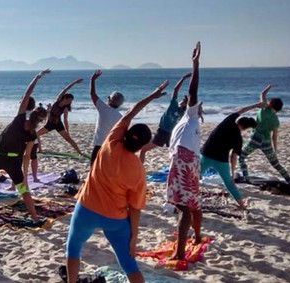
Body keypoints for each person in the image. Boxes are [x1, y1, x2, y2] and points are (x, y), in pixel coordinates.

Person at [65, 80, 169, 283]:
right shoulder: (138, 170)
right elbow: (135, 208)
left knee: (73, 248)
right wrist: (134, 238)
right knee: (128, 263)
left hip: (86, 209)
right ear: (142, 146)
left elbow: (131, 113)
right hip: (115, 219)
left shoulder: (111, 141)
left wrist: (153, 95)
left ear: (126, 134)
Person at [0, 69, 50, 222]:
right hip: (13, 161)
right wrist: (25, 175)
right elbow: (27, 155)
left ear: (31, 112)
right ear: (40, 120)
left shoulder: (19, 118)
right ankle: (34, 217)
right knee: (23, 190)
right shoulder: (33, 134)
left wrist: (37, 78)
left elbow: (27, 95)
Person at [166, 42, 203, 261]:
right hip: (192, 160)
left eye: (187, 101)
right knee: (193, 203)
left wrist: (195, 65)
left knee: (183, 207)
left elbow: (192, 90)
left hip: (183, 160)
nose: (184, 101)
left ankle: (179, 253)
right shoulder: (189, 121)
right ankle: (197, 237)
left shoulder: (191, 116)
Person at [200, 101, 262, 210]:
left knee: (192, 177)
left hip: (206, 155)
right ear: (245, 128)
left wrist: (255, 105)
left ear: (238, 121)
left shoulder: (228, 121)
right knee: (229, 185)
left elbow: (241, 110)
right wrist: (232, 175)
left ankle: (182, 197)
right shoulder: (239, 139)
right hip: (221, 161)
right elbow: (233, 157)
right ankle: (242, 206)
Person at [238, 85, 290, 186]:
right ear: (279, 109)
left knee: (241, 157)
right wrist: (275, 150)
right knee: (276, 165)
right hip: (266, 142)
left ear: (270, 104)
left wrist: (269, 87)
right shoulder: (276, 120)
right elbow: (274, 136)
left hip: (254, 139)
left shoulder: (264, 108)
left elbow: (262, 93)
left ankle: (246, 178)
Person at [139, 73, 192, 163]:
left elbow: (175, 89)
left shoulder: (174, 105)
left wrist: (183, 78)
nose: (181, 100)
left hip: (164, 133)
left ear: (183, 104)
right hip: (173, 134)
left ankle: (139, 168)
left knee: (143, 150)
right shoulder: (184, 113)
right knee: (174, 154)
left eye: (182, 100)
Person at [36, 78, 84, 155]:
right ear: (65, 98)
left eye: (70, 102)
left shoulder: (65, 108)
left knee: (68, 139)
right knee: (36, 134)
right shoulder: (58, 100)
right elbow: (65, 89)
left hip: (58, 125)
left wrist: (68, 131)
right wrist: (74, 82)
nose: (69, 102)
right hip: (49, 124)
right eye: (69, 100)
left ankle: (79, 152)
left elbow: (65, 120)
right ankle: (40, 150)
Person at [89, 70, 124, 164]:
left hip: (99, 144)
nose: (107, 99)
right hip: (110, 146)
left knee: (93, 167)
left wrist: (92, 80)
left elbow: (92, 94)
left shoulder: (103, 108)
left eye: (109, 98)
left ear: (111, 101)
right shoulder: (120, 116)